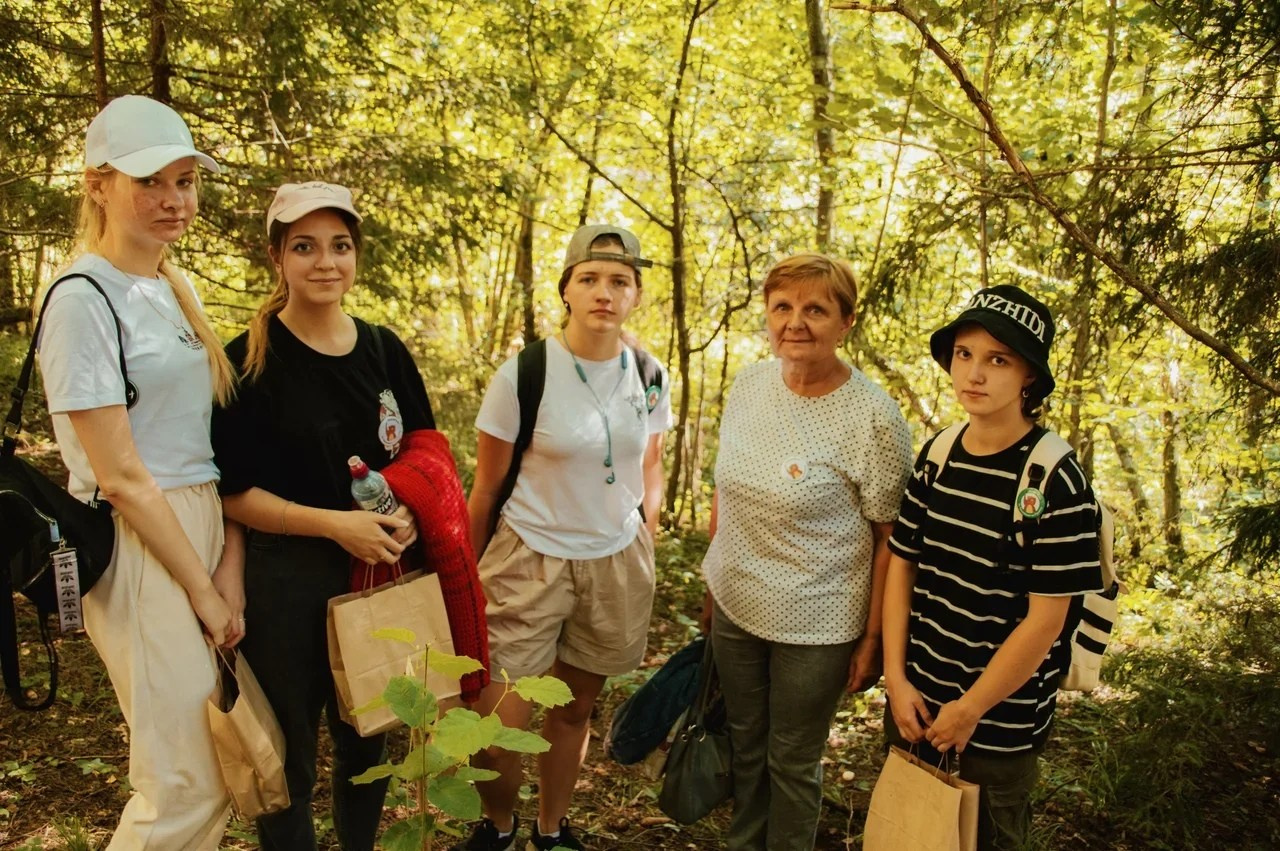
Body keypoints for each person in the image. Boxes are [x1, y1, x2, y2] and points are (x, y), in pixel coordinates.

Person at [210, 181, 486, 851]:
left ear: (356, 254)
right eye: (304, 246)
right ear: (278, 256)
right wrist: (336, 524)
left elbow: (425, 451)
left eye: (340, 246)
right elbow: (233, 492)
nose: (325, 262)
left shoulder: (383, 349)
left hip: (381, 575)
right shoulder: (247, 361)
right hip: (288, 581)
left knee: (369, 739)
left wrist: (416, 519)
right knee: (291, 753)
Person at [34, 94, 238, 849]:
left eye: (185, 181)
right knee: (183, 780)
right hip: (140, 538)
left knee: (210, 771)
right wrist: (201, 590)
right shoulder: (83, 299)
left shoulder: (167, 286)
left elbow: (202, 444)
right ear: (97, 184)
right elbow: (119, 474)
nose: (173, 199)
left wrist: (225, 562)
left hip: (195, 520)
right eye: (150, 181)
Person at [456, 225, 672, 851]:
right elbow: (487, 487)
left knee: (574, 708)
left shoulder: (650, 374)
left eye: (619, 281)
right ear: (567, 291)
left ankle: (552, 830)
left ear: (634, 294)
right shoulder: (525, 374)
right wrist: (464, 581)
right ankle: (497, 828)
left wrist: (646, 531)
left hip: (613, 561)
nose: (605, 292)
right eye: (590, 279)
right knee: (503, 722)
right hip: (528, 558)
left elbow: (650, 462)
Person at [699, 253, 913, 851]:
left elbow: (890, 540)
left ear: (846, 322)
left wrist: (871, 639)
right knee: (746, 745)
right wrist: (713, 585)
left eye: (815, 309)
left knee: (791, 761)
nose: (796, 322)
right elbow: (725, 487)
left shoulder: (874, 417)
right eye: (783, 307)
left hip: (818, 622)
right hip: (736, 605)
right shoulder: (749, 384)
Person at [881, 285, 1104, 850]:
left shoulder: (1056, 481)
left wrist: (971, 708)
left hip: (997, 726)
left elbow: (1046, 620)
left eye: (997, 359)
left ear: (1029, 376)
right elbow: (902, 568)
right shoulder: (937, 455)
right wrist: (897, 680)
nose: (974, 374)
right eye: (964, 354)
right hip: (916, 706)